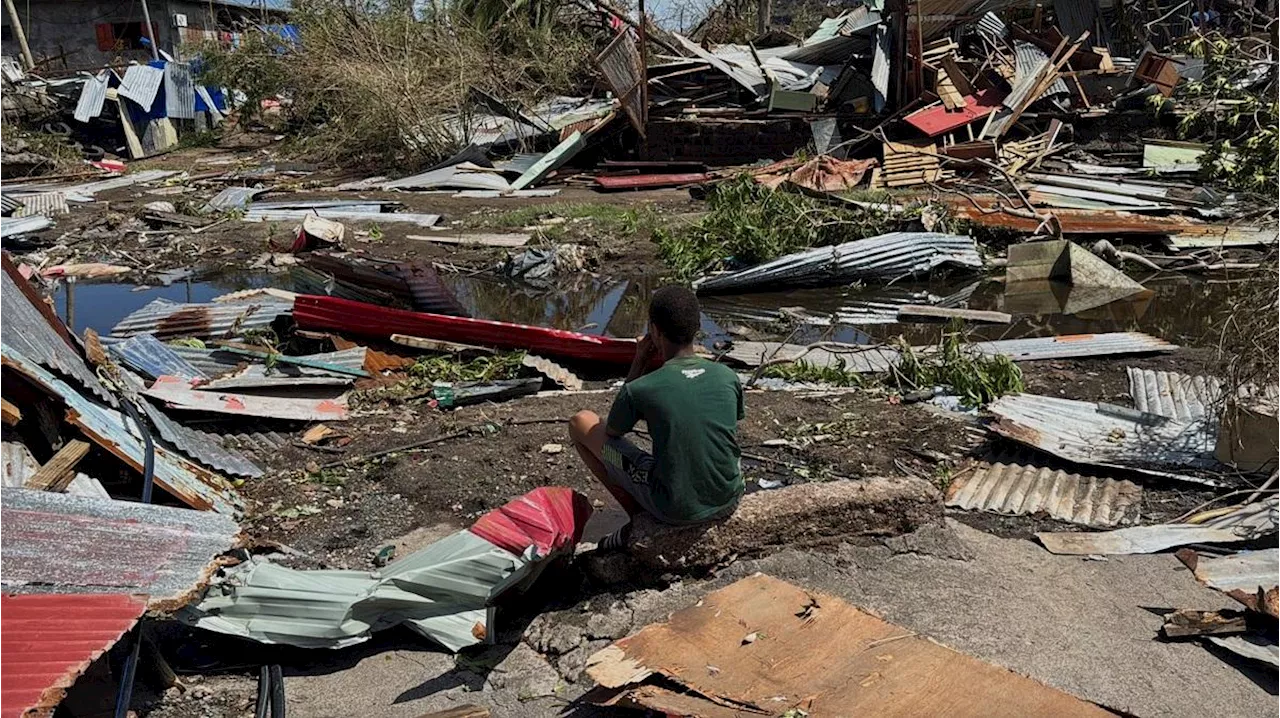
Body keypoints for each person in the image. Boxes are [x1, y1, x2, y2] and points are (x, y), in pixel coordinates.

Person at [568, 285, 745, 549]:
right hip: (728, 497)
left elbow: (613, 431)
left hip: (674, 508)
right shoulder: (727, 376)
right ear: (696, 328)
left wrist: (638, 362)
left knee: (580, 423)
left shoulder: (642, 388)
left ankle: (637, 517)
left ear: (654, 330)